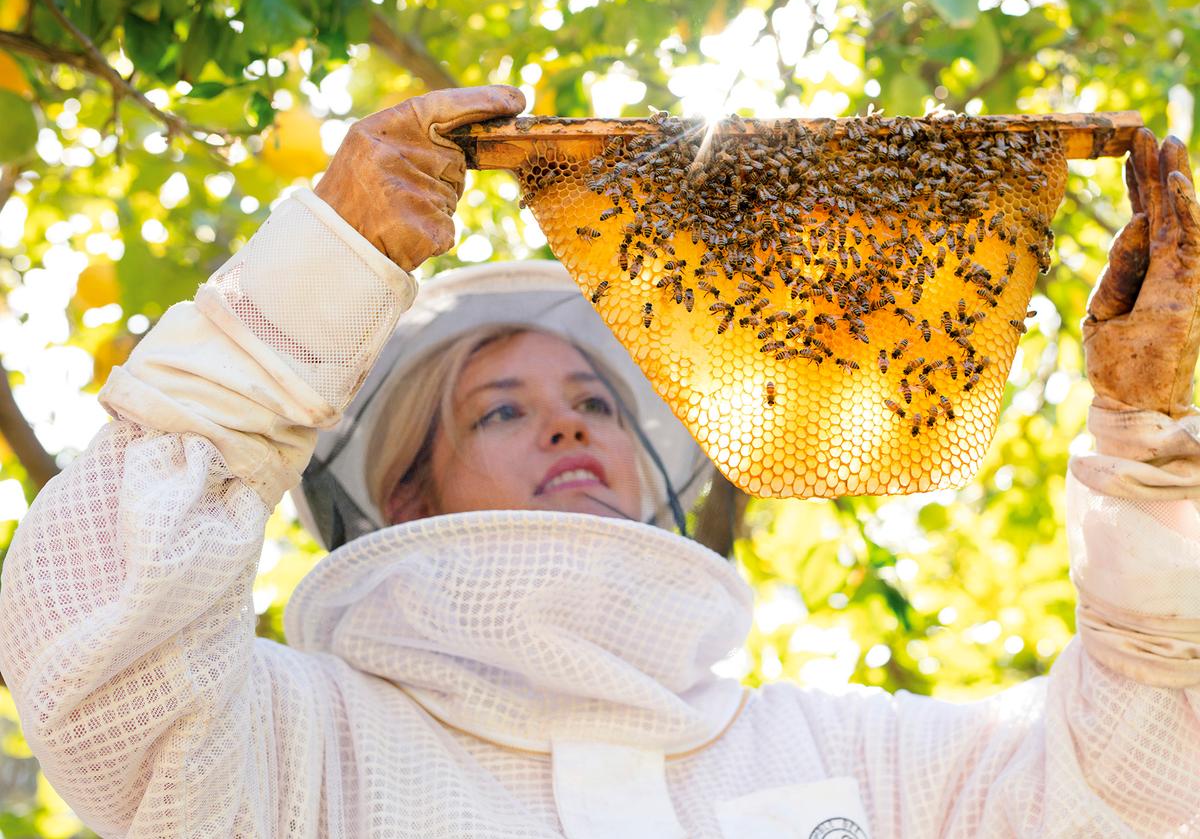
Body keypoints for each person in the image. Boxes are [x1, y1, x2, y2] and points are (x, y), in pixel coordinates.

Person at [0, 86, 1197, 839]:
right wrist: (324, 262)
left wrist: (1148, 442)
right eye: (500, 413)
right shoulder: (296, 746)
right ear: (405, 492)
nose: (571, 427)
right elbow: (95, 643)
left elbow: (1133, 786)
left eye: (593, 401)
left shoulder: (862, 757)